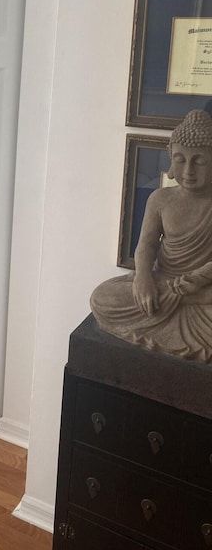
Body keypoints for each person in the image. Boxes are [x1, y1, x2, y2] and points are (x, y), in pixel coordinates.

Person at [90, 109, 212, 362]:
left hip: (203, 288)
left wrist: (201, 279)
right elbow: (145, 246)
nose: (188, 170)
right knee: (103, 297)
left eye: (199, 161)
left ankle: (193, 301)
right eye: (180, 159)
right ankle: (182, 306)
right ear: (170, 162)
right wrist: (143, 278)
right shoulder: (160, 199)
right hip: (163, 283)